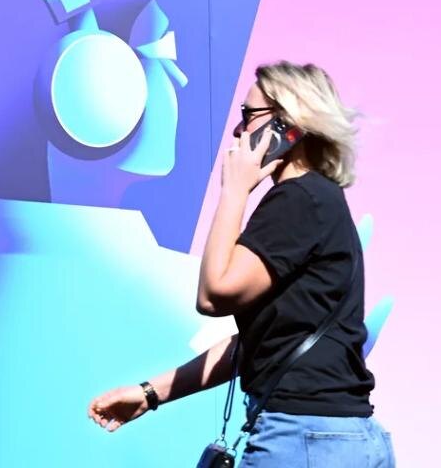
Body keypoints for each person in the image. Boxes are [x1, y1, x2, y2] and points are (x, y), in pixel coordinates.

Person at [89, 61, 395, 467]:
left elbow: (214, 294)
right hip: (346, 439)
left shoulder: (298, 199)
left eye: (248, 115)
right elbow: (256, 344)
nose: (238, 131)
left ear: (287, 125)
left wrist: (234, 189)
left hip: (302, 437)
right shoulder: (319, 201)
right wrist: (150, 393)